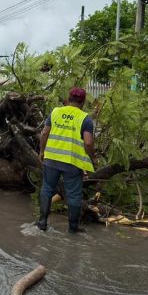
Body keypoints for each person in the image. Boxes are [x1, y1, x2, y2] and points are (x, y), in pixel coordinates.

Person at [35, 87, 96, 233]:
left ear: (68, 99)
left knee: (47, 189)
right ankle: (73, 228)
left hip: (51, 159)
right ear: (83, 102)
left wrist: (42, 151)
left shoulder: (55, 112)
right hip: (72, 163)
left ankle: (42, 221)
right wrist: (92, 158)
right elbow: (88, 143)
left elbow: (44, 133)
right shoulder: (85, 118)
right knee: (74, 195)